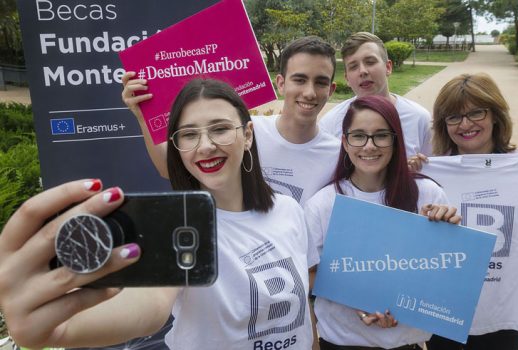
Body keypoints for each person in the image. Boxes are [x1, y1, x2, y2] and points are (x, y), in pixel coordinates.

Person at [0, 79, 318, 349]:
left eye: (220, 129)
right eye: (189, 134)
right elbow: (149, 307)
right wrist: (61, 328)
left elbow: (304, 312)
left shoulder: (288, 210)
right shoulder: (174, 229)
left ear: (247, 135)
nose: (205, 146)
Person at [407, 73, 518, 350]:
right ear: (443, 124)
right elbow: (405, 247)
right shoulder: (428, 175)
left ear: (495, 115)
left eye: (475, 112)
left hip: (501, 319)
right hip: (440, 313)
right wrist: (407, 181)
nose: (465, 124)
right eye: (454, 117)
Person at [304, 95, 461, 350]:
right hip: (341, 341)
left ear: (395, 139)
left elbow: (444, 271)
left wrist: (449, 233)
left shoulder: (428, 194)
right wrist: (358, 299)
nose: (369, 146)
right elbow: (308, 273)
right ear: (344, 141)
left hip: (405, 342)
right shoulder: (323, 204)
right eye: (358, 136)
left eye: (381, 135)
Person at [123, 36, 340, 205]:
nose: (309, 92)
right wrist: (144, 116)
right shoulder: (244, 132)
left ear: (331, 90)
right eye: (300, 80)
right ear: (281, 83)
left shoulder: (338, 155)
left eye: (320, 83)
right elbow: (169, 169)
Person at [318, 32, 432, 157]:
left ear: (388, 67)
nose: (363, 71)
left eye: (370, 62)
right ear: (347, 78)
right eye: (353, 66)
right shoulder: (330, 124)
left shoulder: (420, 119)